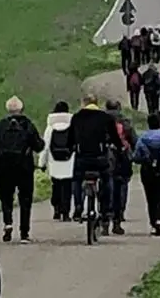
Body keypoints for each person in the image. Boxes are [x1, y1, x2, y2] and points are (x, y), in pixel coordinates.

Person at [0, 96, 44, 244]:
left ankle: (7, 223)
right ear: (21, 109)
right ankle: (24, 232)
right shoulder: (28, 125)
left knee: (6, 197)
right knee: (25, 199)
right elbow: (38, 146)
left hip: (4, 168)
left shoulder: (0, 125)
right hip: (24, 167)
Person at [68, 94, 121, 231]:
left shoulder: (76, 117)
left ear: (83, 103)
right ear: (97, 103)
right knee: (107, 179)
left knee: (76, 179)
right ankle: (106, 211)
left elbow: (70, 139)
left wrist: (71, 148)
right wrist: (119, 148)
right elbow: (115, 137)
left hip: (82, 158)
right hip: (100, 158)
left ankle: (78, 206)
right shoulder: (105, 118)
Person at [41, 100, 76, 221]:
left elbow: (45, 147)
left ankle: (56, 209)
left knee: (56, 185)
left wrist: (42, 163)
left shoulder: (50, 127)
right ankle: (66, 212)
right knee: (67, 188)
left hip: (54, 161)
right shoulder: (72, 126)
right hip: (69, 161)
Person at [105, 99, 136, 234]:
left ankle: (105, 219)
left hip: (105, 157)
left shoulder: (102, 121)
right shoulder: (125, 122)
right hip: (122, 157)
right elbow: (133, 139)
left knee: (105, 187)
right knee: (122, 185)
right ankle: (119, 217)